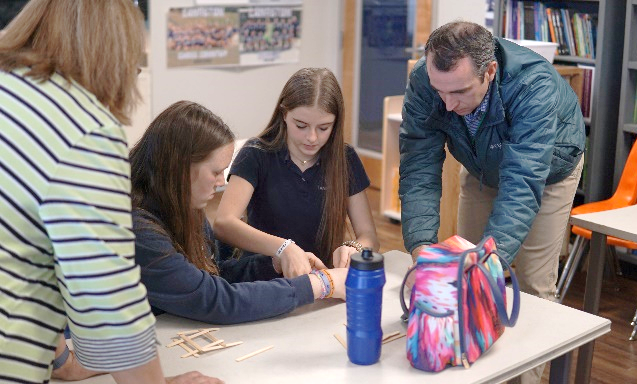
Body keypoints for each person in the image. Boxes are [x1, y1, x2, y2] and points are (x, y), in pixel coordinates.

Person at [0, 1, 220, 383]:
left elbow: (26, 254)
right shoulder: (83, 130)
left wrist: (61, 361)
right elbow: (107, 295)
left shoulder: (13, 91)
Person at [399, 21, 585, 383]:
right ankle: (476, 369)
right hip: (482, 163)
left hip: (546, 172)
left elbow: (522, 182)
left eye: (460, 92)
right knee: (466, 277)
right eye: (440, 92)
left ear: (490, 71)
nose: (448, 104)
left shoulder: (533, 84)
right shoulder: (427, 79)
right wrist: (421, 247)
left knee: (527, 283)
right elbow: (418, 166)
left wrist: (490, 261)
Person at [130, 100, 347, 325]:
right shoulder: (140, 231)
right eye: (215, 172)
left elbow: (214, 273)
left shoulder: (185, 205)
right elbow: (216, 300)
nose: (221, 181)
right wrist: (321, 284)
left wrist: (273, 265)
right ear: (180, 168)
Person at [213, 68, 379, 278]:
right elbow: (224, 223)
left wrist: (354, 248)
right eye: (301, 126)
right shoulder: (256, 154)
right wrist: (283, 249)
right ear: (284, 114)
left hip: (322, 281)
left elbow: (369, 236)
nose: (311, 137)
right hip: (263, 281)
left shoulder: (345, 159)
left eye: (323, 128)